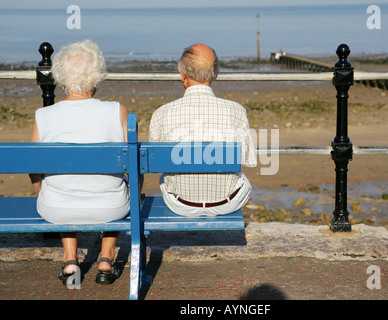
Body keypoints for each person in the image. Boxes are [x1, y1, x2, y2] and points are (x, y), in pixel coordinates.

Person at [29, 39, 129, 285]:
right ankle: (106, 258)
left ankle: (70, 259)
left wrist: (40, 190)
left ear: (61, 77)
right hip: (111, 207)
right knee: (118, 186)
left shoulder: (44, 115)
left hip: (57, 208)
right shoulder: (117, 110)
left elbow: (33, 168)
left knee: (60, 186)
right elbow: (131, 166)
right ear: (96, 76)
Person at [149, 43, 257, 217]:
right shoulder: (236, 111)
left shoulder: (162, 114)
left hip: (181, 203)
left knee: (166, 177)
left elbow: (155, 163)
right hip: (226, 202)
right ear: (216, 72)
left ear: (182, 74)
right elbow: (248, 159)